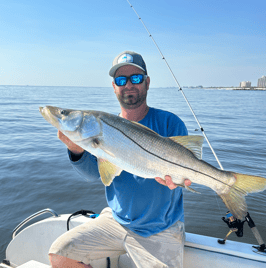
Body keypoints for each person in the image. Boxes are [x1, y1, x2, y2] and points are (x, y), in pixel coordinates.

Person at [49, 51, 191, 268]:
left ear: (147, 82)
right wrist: (76, 150)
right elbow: (93, 173)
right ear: (114, 86)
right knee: (59, 254)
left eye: (135, 78)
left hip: (160, 229)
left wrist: (180, 180)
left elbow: (186, 169)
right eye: (120, 80)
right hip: (116, 222)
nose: (128, 85)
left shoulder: (170, 123)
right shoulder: (102, 128)